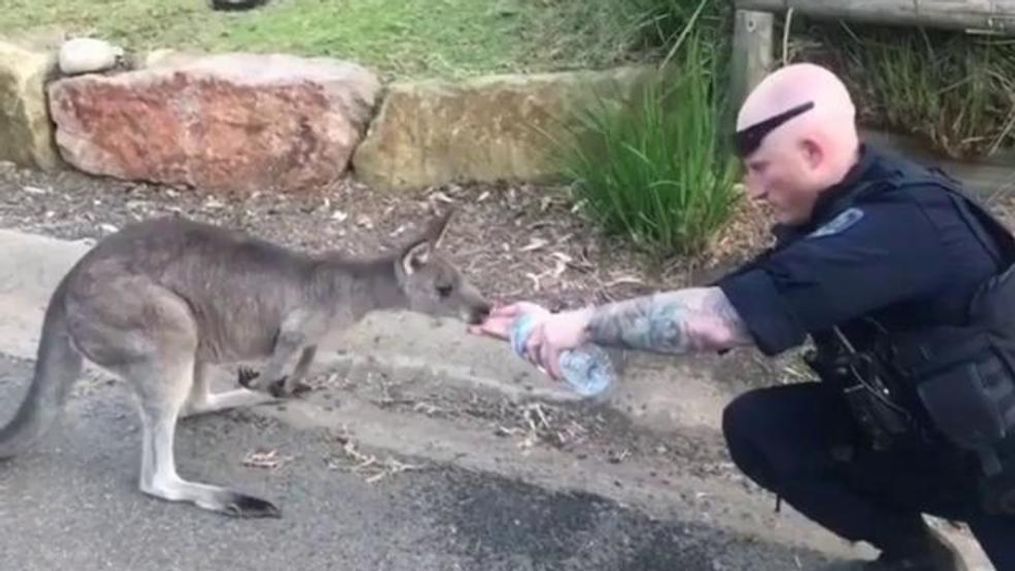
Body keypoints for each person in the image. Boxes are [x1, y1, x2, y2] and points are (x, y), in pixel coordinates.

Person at [469, 62, 1015, 570]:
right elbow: (724, 301)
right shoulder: (845, 212)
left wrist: (581, 325)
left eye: (759, 169)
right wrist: (552, 323)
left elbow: (715, 321)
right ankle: (919, 560)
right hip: (941, 436)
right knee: (764, 429)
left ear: (812, 151)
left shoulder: (898, 226)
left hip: (1004, 472)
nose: (751, 190)